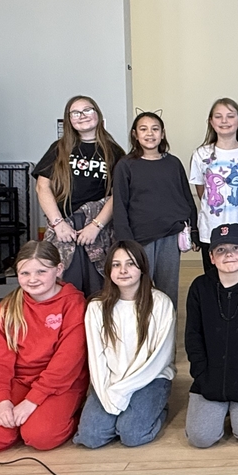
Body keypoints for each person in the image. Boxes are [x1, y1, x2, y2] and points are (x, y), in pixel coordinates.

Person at [0, 242, 88, 454]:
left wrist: (33, 400)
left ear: (58, 270)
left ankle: (74, 412)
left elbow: (68, 360)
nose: (33, 279)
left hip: (59, 384)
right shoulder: (6, 310)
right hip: (18, 381)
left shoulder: (73, 303)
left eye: (42, 271)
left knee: (41, 437)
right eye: (25, 273)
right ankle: (22, 421)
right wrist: (1, 400)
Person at [73, 241, 176, 449]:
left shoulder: (161, 303)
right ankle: (122, 414)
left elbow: (160, 358)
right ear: (108, 270)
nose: (123, 271)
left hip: (150, 379)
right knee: (91, 437)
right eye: (116, 265)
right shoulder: (96, 307)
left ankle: (159, 408)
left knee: (132, 435)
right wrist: (106, 393)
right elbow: (96, 358)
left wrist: (123, 391)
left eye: (130, 264)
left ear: (142, 268)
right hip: (110, 382)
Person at [184, 223, 238, 448]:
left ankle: (236, 410)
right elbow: (193, 337)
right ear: (211, 257)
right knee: (201, 438)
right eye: (221, 250)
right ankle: (220, 410)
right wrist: (202, 377)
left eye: (235, 248)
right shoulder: (199, 288)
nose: (229, 255)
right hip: (210, 379)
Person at [34, 95, 125, 296]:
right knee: (65, 289)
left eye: (87, 110)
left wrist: (96, 226)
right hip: (64, 228)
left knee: (100, 291)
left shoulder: (114, 151)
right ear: (69, 120)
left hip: (98, 231)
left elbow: (117, 195)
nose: (82, 116)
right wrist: (58, 223)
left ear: (98, 115)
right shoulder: (58, 148)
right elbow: (42, 187)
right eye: (75, 112)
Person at [112, 111, 198, 308]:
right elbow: (120, 205)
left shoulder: (173, 163)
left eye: (155, 129)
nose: (149, 134)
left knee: (168, 292)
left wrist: (193, 230)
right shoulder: (126, 165)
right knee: (137, 290)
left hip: (169, 237)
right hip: (139, 239)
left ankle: (167, 334)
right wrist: (125, 242)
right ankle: (140, 334)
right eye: (143, 129)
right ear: (135, 134)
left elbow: (186, 197)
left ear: (162, 133)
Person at [189, 98, 238, 276]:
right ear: (211, 122)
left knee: (237, 274)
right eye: (218, 116)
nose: (224, 121)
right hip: (210, 227)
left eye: (230, 116)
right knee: (212, 277)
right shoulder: (200, 154)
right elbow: (201, 191)